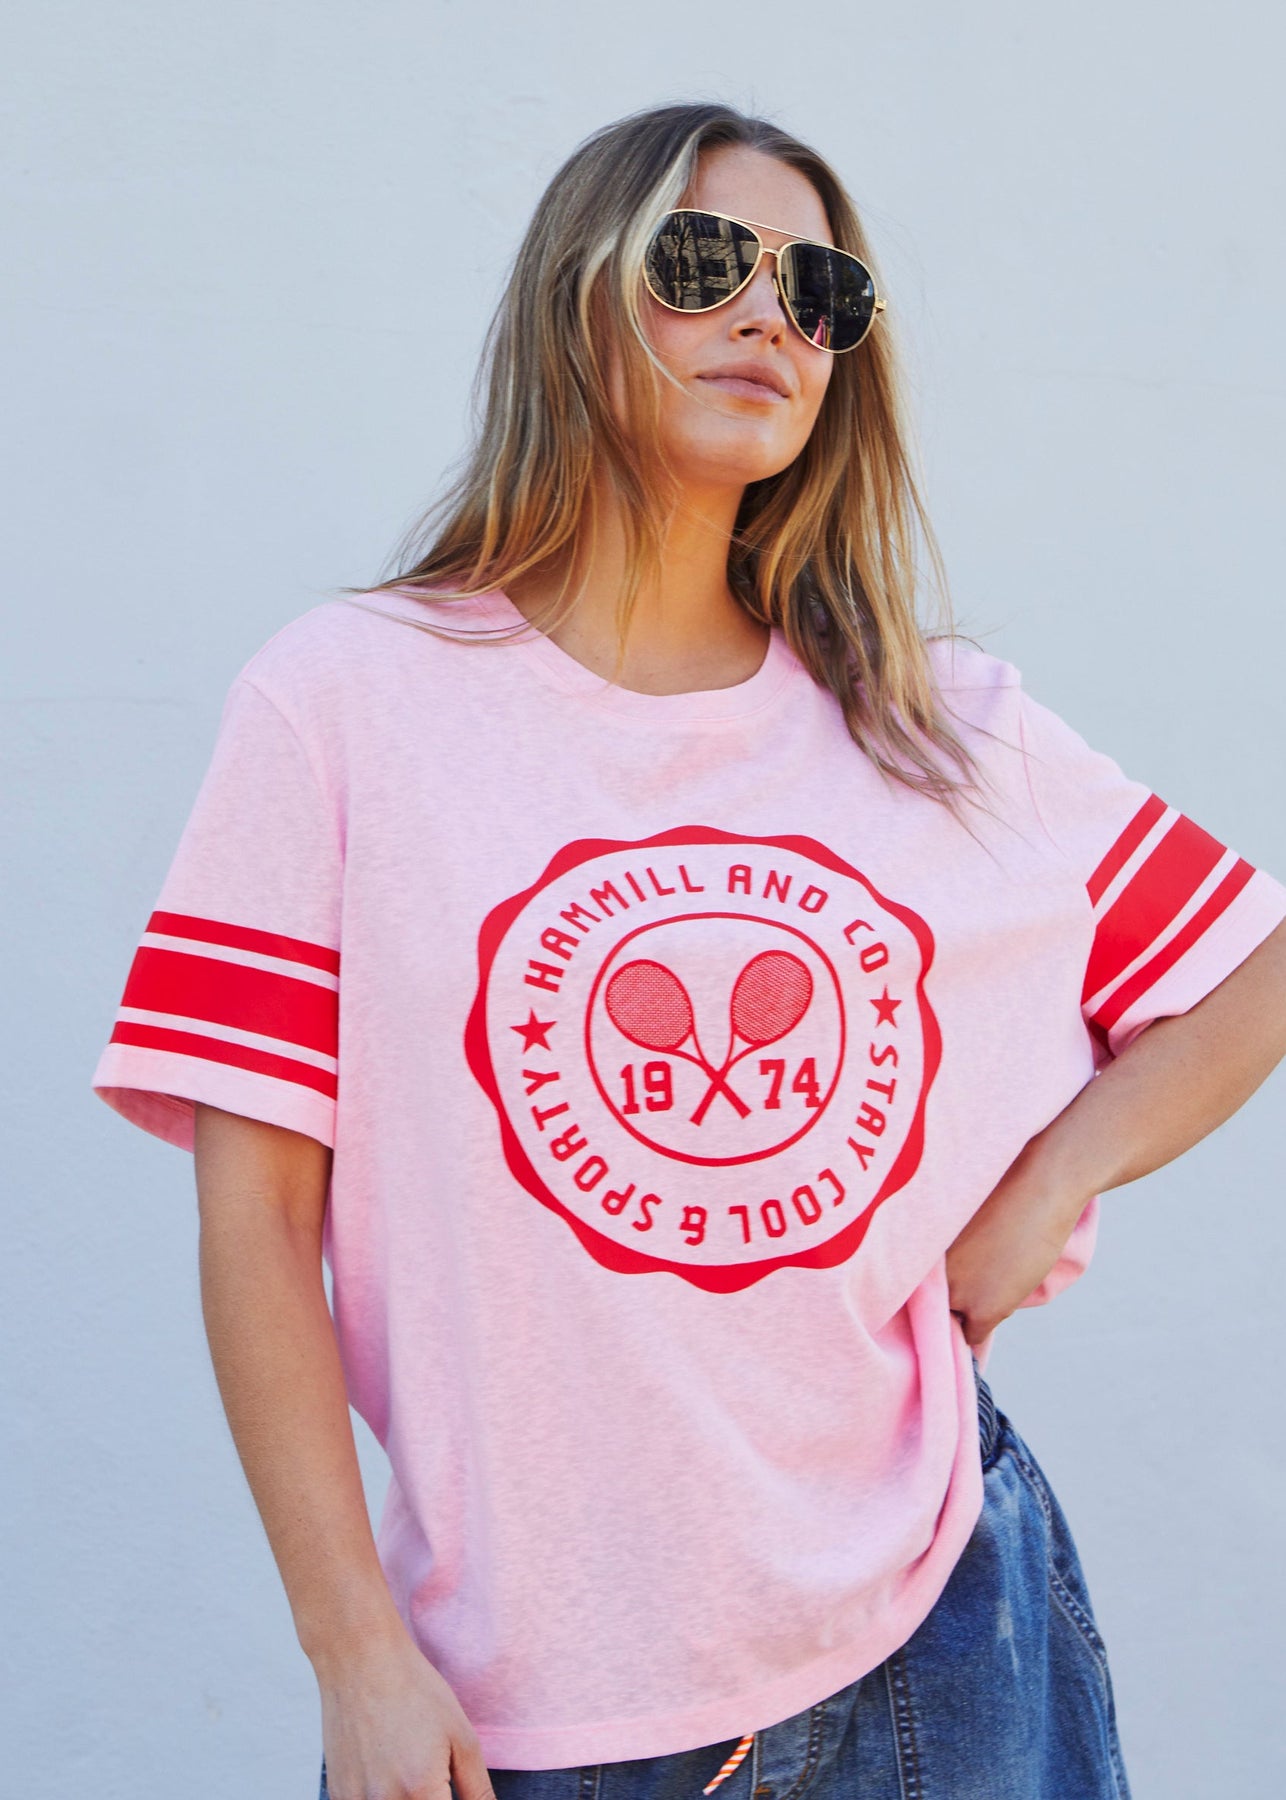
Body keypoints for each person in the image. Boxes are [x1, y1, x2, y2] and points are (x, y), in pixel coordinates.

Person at [91, 102, 1286, 1800]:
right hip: (528, 1708)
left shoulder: (932, 721)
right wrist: (353, 1651)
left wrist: (1048, 1183)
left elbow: (1249, 970)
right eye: (707, 260)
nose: (769, 317)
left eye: (821, 293)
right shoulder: (346, 704)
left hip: (941, 1634)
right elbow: (259, 1219)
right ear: (576, 296)